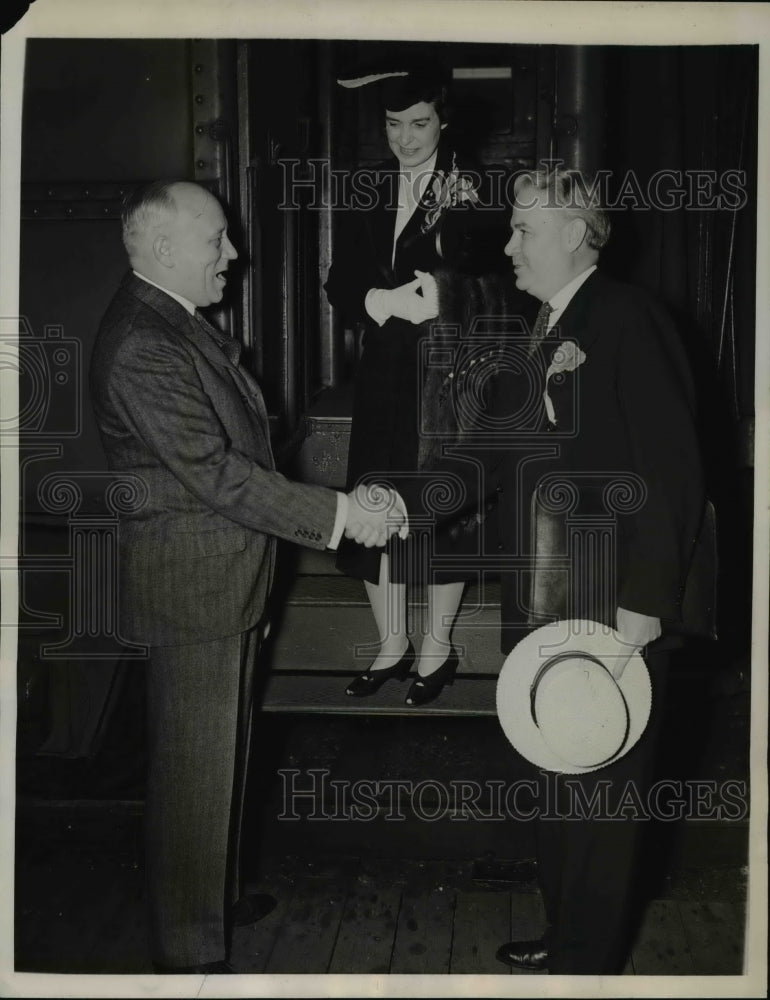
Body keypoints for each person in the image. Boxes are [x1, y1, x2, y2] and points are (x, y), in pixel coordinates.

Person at [390, 166, 706, 972]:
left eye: (523, 230)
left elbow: (673, 470)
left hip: (613, 603)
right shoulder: (541, 327)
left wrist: (646, 601)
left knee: (604, 793)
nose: (508, 245)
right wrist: (397, 505)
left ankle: (587, 964)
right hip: (551, 594)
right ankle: (569, 934)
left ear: (574, 234)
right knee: (561, 773)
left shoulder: (629, 317)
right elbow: (491, 455)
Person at [89, 180, 400, 974]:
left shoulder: (169, 323)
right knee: (197, 770)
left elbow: (242, 461)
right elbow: (219, 474)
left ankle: (212, 901)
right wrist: (337, 517)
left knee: (219, 755)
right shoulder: (143, 343)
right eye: (217, 241)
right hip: (195, 585)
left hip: (220, 574)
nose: (234, 255)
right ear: (164, 250)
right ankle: (190, 955)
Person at [324, 63, 511, 706]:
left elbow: (502, 288)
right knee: (375, 496)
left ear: (445, 121)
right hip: (383, 370)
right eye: (393, 126)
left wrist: (441, 297)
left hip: (446, 371)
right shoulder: (368, 188)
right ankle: (390, 643)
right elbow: (338, 280)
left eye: (419, 124)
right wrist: (374, 298)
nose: (404, 140)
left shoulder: (476, 189)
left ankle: (436, 646)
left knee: (439, 504)